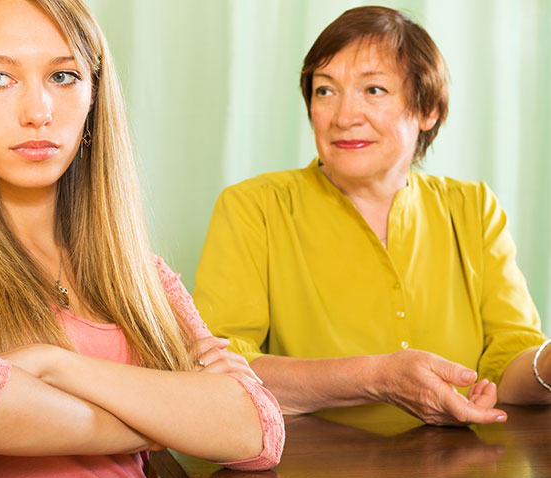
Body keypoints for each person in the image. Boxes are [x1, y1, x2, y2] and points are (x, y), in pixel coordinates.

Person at [0, 0, 284, 478]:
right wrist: (171, 420)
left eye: (63, 76)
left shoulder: (138, 271)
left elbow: (257, 429)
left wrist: (51, 365)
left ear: (95, 96)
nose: (38, 111)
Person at [193, 5, 551, 427]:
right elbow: (218, 366)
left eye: (373, 90)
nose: (344, 117)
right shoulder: (254, 207)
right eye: (325, 91)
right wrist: (377, 377)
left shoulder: (473, 208)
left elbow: (510, 364)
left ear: (428, 109)